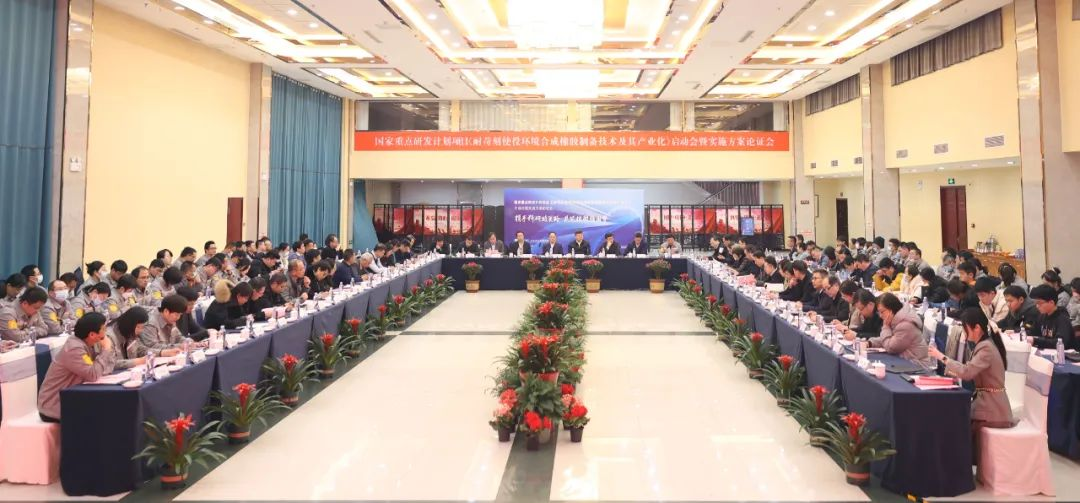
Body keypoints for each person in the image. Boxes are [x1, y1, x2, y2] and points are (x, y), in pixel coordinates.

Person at [927, 308, 1013, 459]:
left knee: (953, 421)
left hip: (992, 409)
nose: (964, 334)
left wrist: (942, 357)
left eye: (966, 329)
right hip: (988, 403)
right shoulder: (985, 345)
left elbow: (967, 372)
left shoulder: (986, 348)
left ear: (977, 328)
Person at [36, 313, 117, 422]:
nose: (105, 332)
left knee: (109, 408)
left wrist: (105, 352)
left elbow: (107, 367)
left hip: (73, 397)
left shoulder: (88, 342)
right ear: (92, 334)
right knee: (103, 415)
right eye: (103, 329)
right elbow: (93, 375)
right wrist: (106, 350)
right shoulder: (74, 348)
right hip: (54, 405)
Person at [864, 293, 930, 364]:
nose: (880, 315)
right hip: (905, 361)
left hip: (917, 364)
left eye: (882, 312)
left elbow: (890, 347)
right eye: (879, 312)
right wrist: (871, 343)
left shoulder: (906, 325)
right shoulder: (897, 320)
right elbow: (890, 339)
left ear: (891, 309)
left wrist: (886, 326)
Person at [1028, 284, 1077, 351]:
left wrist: (1036, 341)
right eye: (1035, 303)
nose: (1037, 306)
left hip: (1064, 354)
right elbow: (1033, 332)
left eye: (1039, 303)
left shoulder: (1062, 318)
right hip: (1047, 352)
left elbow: (1060, 342)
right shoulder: (1042, 316)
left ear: (1051, 302)